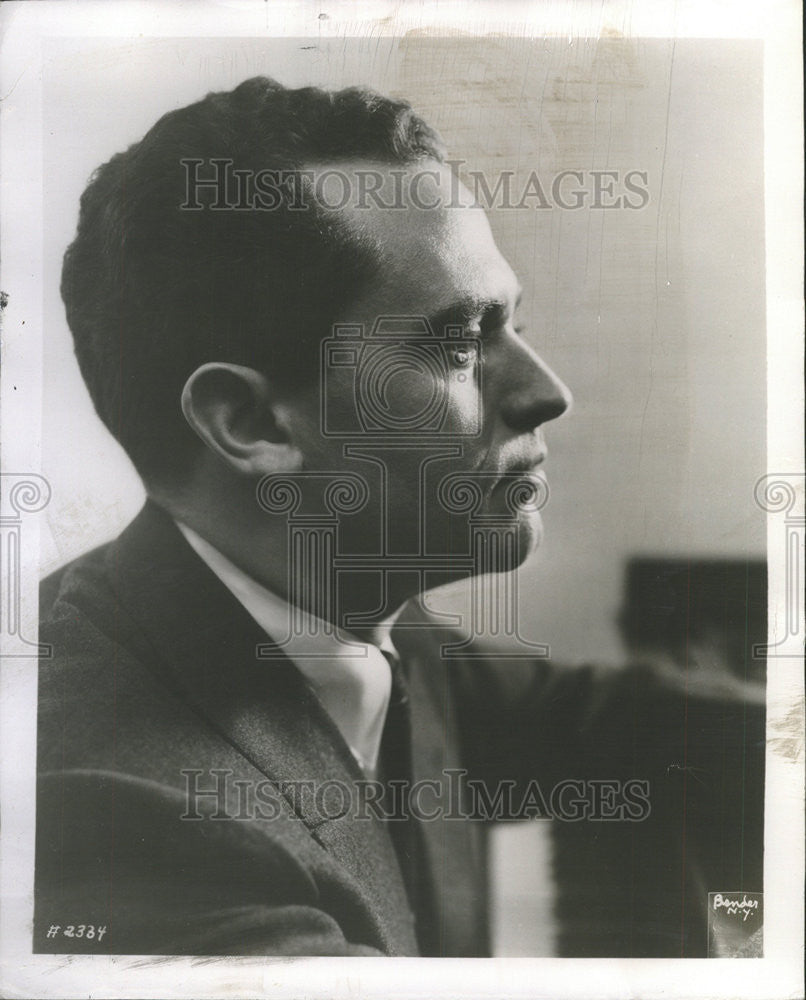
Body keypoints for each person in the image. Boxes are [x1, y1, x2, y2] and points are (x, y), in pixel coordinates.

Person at [35, 76, 765, 957]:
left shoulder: (349, 610)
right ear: (253, 423)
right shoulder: (120, 811)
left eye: (513, 324)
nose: (547, 393)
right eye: (460, 342)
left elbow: (612, 721)